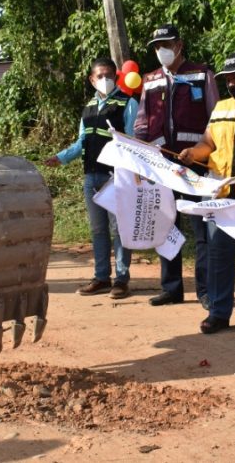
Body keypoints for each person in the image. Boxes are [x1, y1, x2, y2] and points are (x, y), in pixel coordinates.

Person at [178, 52, 235, 334]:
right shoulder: (221, 108)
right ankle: (218, 312)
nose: (232, 84)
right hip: (220, 197)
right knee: (219, 255)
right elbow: (208, 143)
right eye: (228, 80)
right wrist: (194, 153)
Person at [135, 24, 219, 308]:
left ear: (179, 45)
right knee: (166, 226)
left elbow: (215, 119)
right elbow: (142, 123)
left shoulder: (202, 74)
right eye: (157, 47)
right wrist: (140, 157)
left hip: (195, 164)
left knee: (201, 228)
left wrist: (200, 152)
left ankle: (206, 290)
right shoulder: (150, 80)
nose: (162, 51)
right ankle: (171, 288)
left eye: (166, 45)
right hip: (162, 165)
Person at [46, 57, 138, 299]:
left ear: (116, 77)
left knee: (119, 229)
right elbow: (82, 142)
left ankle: (121, 280)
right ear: (91, 79)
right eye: (100, 76)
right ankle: (101, 277)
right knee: (98, 230)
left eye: (109, 75)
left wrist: (133, 174)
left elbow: (132, 140)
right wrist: (61, 157)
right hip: (91, 176)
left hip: (116, 176)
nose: (105, 79)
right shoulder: (88, 108)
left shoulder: (128, 103)